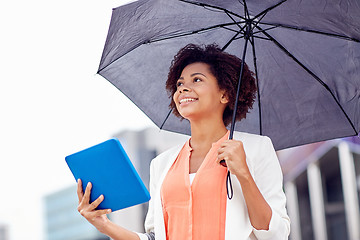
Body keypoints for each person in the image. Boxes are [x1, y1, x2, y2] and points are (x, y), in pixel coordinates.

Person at [77, 44, 290, 240]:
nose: (183, 89)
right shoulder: (161, 164)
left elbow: (276, 234)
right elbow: (155, 237)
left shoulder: (256, 149)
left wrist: (244, 174)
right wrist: (104, 225)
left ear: (225, 94)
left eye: (197, 80)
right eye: (180, 83)